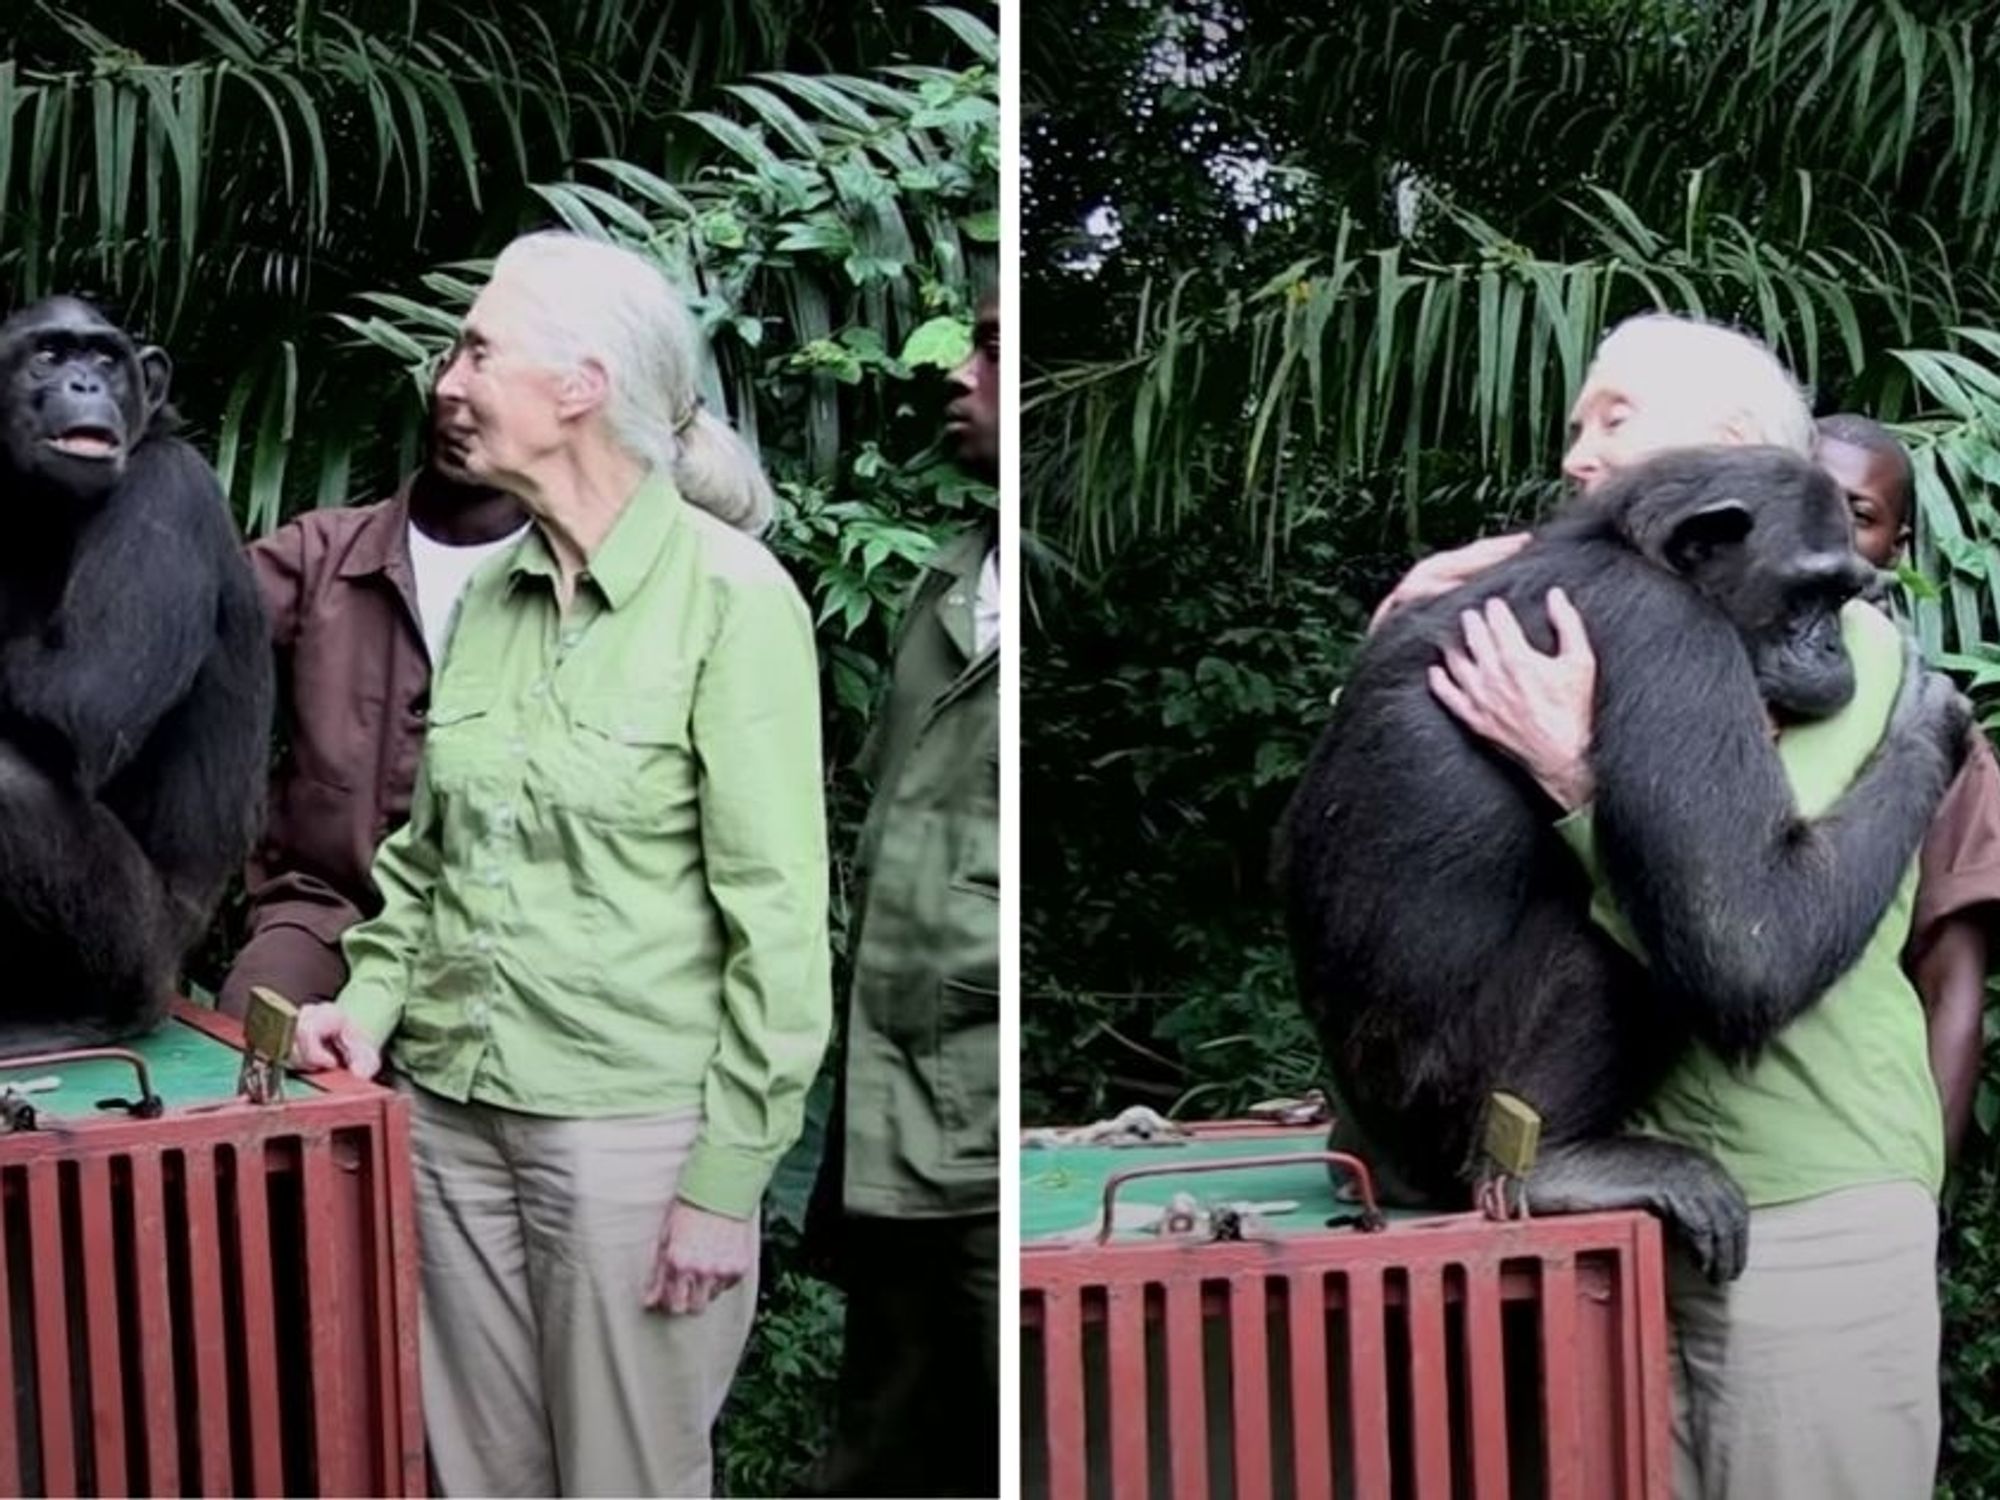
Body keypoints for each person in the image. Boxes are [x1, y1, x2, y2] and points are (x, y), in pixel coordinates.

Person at [289, 229, 830, 1498]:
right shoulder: (492, 597)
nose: (449, 377)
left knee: (625, 1481)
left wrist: (722, 1185)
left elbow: (781, 924)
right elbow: (427, 862)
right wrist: (363, 1009)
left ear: (578, 385)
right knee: (481, 1480)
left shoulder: (731, 601)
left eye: (478, 347)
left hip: (631, 1141)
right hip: (456, 1113)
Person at [1385, 313, 1952, 1500]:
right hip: (1626, 1192)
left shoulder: (1843, 653)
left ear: (1733, 452)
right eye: (1578, 424)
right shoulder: (1629, 612)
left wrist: (1915, 752)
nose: (1576, 455)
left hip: (1801, 1198)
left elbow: (1741, 949)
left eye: (1616, 418)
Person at [809, 295, 1000, 1498]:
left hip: (984, 1102)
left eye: (991, 348)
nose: (957, 374)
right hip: (891, 1087)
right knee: (883, 1437)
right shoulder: (943, 581)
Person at [218, 416, 528, 1018]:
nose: (465, 407)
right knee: (251, 1027)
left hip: (498, 912)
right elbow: (181, 629)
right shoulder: (323, 554)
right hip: (325, 907)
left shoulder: (571, 575)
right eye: (456, 364)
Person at [1817, 412, 2000, 1162]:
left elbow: (1952, 984)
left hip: (1851, 1142)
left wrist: (1923, 1191)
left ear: (1896, 547)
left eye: (1858, 515)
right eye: (1809, 495)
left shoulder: (1933, 726)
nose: (1827, 530)